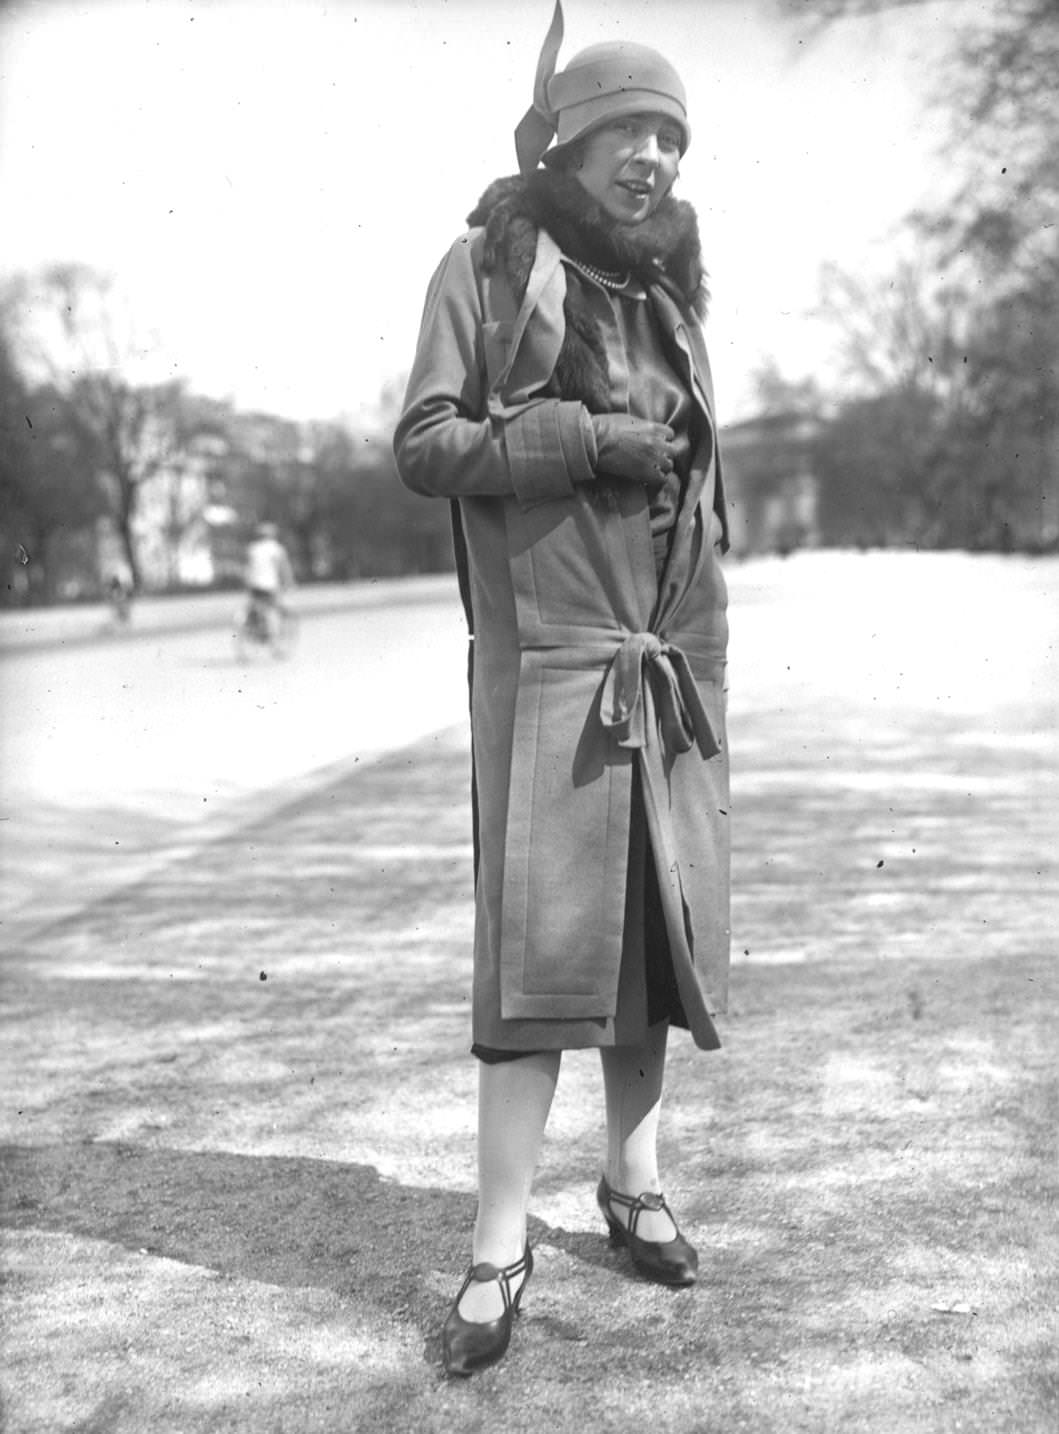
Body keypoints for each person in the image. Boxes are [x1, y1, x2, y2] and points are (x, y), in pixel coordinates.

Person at [393, 0, 731, 1377]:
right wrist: (582, 438)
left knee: (655, 944)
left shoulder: (665, 291)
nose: (652, 157)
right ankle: (496, 1246)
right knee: (535, 969)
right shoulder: (484, 269)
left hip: (672, 659)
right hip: (550, 667)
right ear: (569, 142)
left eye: (669, 136)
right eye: (627, 131)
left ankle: (632, 1182)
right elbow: (427, 443)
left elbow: (696, 482)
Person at [242, 521, 295, 645]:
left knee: (257, 607)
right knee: (273, 609)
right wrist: (289, 582)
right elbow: (284, 568)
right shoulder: (276, 548)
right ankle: (274, 637)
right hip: (269, 585)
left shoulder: (252, 548)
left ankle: (256, 631)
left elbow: (247, 568)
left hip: (254, 585)